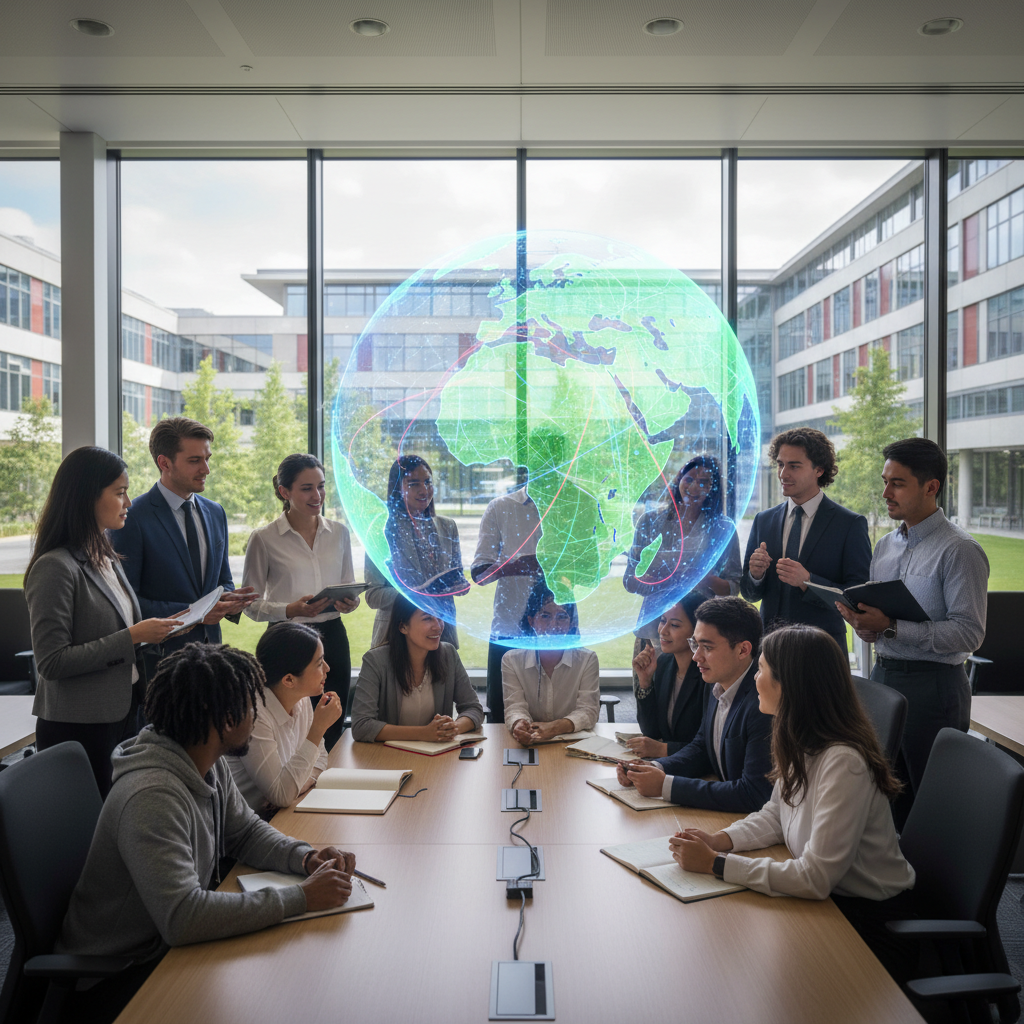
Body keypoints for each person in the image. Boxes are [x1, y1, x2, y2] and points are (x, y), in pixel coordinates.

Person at [57, 642, 356, 1020]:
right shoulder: (152, 796)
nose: (258, 711)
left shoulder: (202, 757)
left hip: (166, 948)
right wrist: (301, 898)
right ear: (227, 721)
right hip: (123, 974)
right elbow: (183, 917)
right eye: (252, 704)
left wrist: (305, 856)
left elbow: (244, 832)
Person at [671, 625, 916, 982]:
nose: (755, 679)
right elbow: (775, 815)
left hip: (868, 922)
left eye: (761, 670)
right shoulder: (800, 737)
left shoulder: (842, 761)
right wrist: (719, 840)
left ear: (790, 685)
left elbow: (815, 878)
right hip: (831, 904)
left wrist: (718, 865)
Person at [837, 437, 989, 825]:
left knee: (933, 808)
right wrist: (864, 625)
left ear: (931, 487)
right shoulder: (885, 546)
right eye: (885, 481)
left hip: (935, 688)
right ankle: (889, 884)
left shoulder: (960, 550)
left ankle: (936, 885)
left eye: (897, 483)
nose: (885, 492)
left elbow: (969, 634)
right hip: (883, 679)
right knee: (880, 801)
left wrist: (890, 626)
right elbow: (878, 629)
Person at [24, 446, 186, 796]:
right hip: (80, 727)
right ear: (86, 497)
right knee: (89, 833)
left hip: (125, 713)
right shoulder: (55, 566)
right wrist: (131, 637)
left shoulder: (106, 556)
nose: (128, 502)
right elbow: (51, 662)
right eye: (120, 492)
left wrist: (151, 631)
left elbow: (120, 630)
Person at [111, 417, 257, 673]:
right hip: (162, 663)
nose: (207, 469)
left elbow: (222, 581)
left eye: (207, 458)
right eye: (195, 461)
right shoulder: (132, 517)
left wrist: (228, 600)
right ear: (164, 463)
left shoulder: (216, 512)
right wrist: (196, 613)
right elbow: (126, 600)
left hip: (213, 656)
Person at [242, 454, 359, 750]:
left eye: (321, 486)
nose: (317, 495)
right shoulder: (264, 538)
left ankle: (326, 783)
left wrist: (350, 602)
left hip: (332, 637)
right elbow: (249, 604)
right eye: (307, 488)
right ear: (285, 492)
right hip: (285, 642)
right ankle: (289, 790)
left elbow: (349, 589)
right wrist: (290, 610)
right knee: (286, 723)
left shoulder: (340, 533)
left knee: (332, 718)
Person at [616, 596, 772, 812]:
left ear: (743, 650)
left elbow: (753, 794)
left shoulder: (763, 702)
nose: (696, 656)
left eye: (706, 647)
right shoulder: (715, 683)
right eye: (695, 644)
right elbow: (702, 749)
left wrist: (665, 785)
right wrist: (653, 767)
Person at [741, 428, 871, 653]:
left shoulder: (849, 524)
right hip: (770, 650)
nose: (783, 474)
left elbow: (858, 597)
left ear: (819, 470)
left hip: (822, 652)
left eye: (794, 466)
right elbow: (749, 594)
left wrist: (808, 581)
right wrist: (756, 575)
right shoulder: (764, 520)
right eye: (780, 464)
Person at [624, 456, 742, 666]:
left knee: (695, 697)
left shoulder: (724, 528)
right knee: (649, 692)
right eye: (689, 479)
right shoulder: (649, 521)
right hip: (653, 629)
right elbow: (629, 581)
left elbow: (732, 589)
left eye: (704, 482)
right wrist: (661, 580)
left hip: (704, 634)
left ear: (712, 490)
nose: (695, 487)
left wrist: (703, 578)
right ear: (679, 479)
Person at [228, 621, 341, 816]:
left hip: (279, 814)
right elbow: (281, 795)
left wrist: (297, 787)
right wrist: (318, 728)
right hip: (247, 826)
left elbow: (320, 758)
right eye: (320, 663)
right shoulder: (253, 715)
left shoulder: (301, 698)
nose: (328, 669)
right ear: (289, 680)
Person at [350, 593, 484, 743]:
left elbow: (474, 709)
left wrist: (452, 728)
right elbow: (361, 726)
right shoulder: (375, 661)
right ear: (403, 626)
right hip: (388, 758)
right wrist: (423, 733)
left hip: (436, 756)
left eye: (440, 617)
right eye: (427, 618)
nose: (438, 626)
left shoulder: (448, 654)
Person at [365, 455, 467, 650]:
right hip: (396, 636)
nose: (424, 490)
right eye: (413, 484)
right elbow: (373, 595)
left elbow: (457, 576)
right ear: (397, 488)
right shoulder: (381, 531)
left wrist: (458, 584)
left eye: (428, 482)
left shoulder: (448, 527)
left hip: (441, 634)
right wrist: (414, 594)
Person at [471, 484, 543, 724]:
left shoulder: (576, 504)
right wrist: (519, 565)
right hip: (508, 630)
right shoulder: (501, 507)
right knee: (502, 719)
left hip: (558, 628)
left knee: (562, 715)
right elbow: (479, 574)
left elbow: (591, 569)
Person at [501, 581, 599, 744]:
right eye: (545, 616)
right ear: (531, 621)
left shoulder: (587, 659)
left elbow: (588, 711)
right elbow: (515, 707)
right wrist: (519, 724)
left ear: (570, 624)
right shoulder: (511, 660)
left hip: (573, 744)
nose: (554, 626)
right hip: (530, 742)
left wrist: (555, 728)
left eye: (562, 617)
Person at [627, 592, 708, 758]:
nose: (663, 631)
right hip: (670, 766)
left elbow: (707, 746)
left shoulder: (707, 673)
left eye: (675, 625)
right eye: (662, 621)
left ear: (697, 631)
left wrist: (663, 750)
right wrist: (645, 682)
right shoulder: (664, 663)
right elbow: (651, 732)